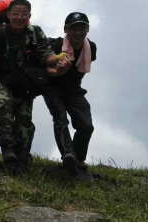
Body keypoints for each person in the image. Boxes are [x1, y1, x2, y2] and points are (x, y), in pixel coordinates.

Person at [0, 0, 61, 174]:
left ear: (29, 16)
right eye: (15, 13)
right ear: (8, 15)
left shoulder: (35, 32)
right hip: (1, 80)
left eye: (23, 14)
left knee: (25, 119)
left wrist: (58, 59)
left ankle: (23, 155)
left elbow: (45, 53)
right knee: (4, 106)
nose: (19, 17)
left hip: (25, 82)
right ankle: (8, 149)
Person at [43, 12, 97, 176]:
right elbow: (46, 69)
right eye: (74, 28)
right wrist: (58, 70)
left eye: (82, 28)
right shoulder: (55, 45)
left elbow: (82, 68)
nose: (78, 32)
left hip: (74, 90)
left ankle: (78, 158)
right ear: (66, 29)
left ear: (87, 29)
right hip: (52, 87)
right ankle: (68, 155)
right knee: (60, 120)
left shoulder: (91, 48)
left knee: (86, 125)